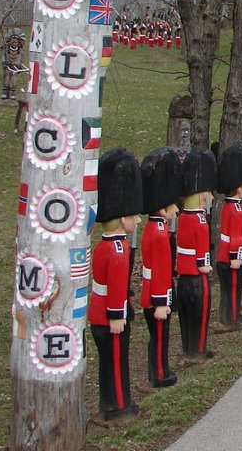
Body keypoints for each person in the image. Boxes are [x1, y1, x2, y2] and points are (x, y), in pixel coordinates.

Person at [89, 148, 143, 421]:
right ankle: (120, 406)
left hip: (99, 313)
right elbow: (117, 289)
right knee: (118, 362)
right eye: (134, 216)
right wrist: (117, 316)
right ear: (123, 218)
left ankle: (109, 403)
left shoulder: (103, 247)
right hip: (110, 315)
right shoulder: (118, 251)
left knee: (108, 365)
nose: (138, 219)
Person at [140, 147, 183, 387]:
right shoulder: (158, 233)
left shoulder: (157, 229)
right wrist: (160, 302)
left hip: (158, 291)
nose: (175, 210)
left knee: (161, 336)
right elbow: (160, 270)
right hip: (156, 294)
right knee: (158, 336)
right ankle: (158, 372)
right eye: (172, 206)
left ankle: (161, 368)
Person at [175, 149, 216, 358]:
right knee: (200, 314)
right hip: (196, 273)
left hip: (183, 272)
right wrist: (204, 264)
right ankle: (198, 348)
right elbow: (202, 246)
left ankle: (186, 346)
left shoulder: (182, 217)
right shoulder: (200, 220)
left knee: (185, 315)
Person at [217, 143, 242, 329]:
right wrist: (236, 256)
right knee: (233, 287)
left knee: (227, 288)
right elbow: (236, 237)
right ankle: (232, 317)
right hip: (231, 255)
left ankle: (226, 315)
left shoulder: (228, 206)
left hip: (224, 253)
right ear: (238, 188)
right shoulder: (236, 209)